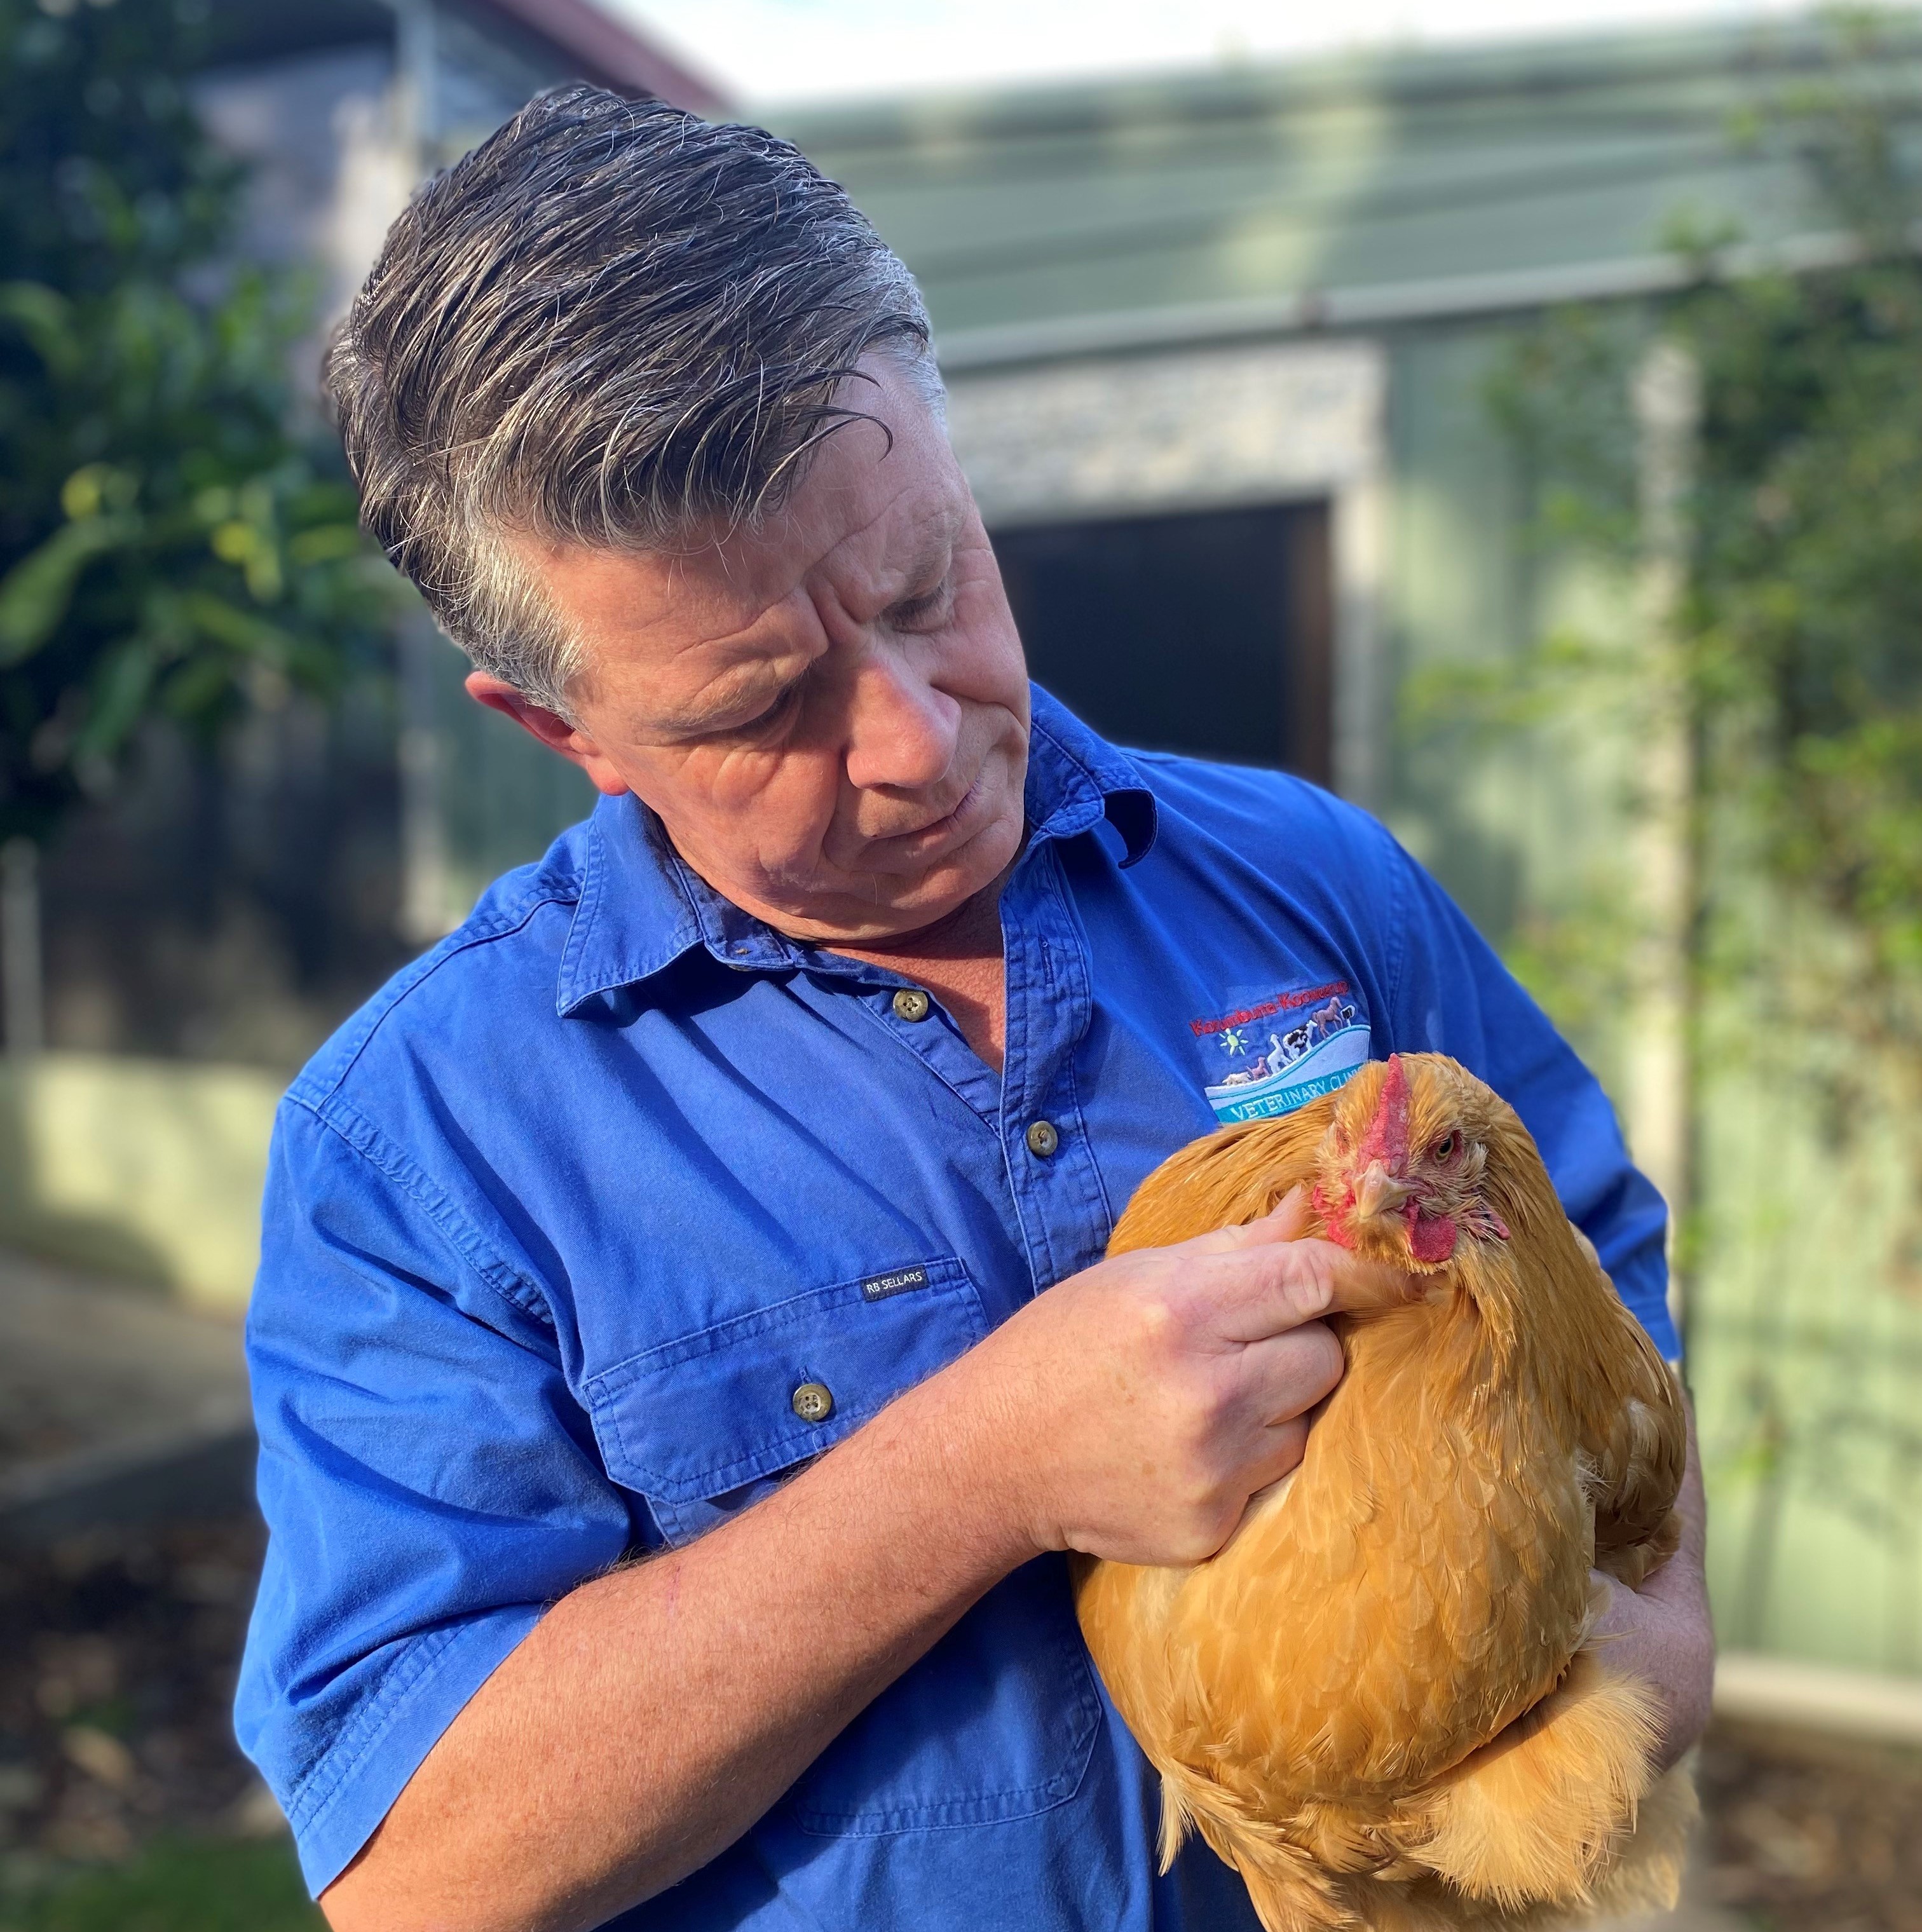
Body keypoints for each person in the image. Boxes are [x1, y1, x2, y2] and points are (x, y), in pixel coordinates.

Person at [236, 85, 1714, 1932]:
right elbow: (414, 1876)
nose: (918, 739)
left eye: (931, 583)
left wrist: (1641, 1670)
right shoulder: (426, 1142)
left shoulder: (1315, 882)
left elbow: (1607, 1270)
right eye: (761, 706)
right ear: (564, 733)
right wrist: (983, 1471)